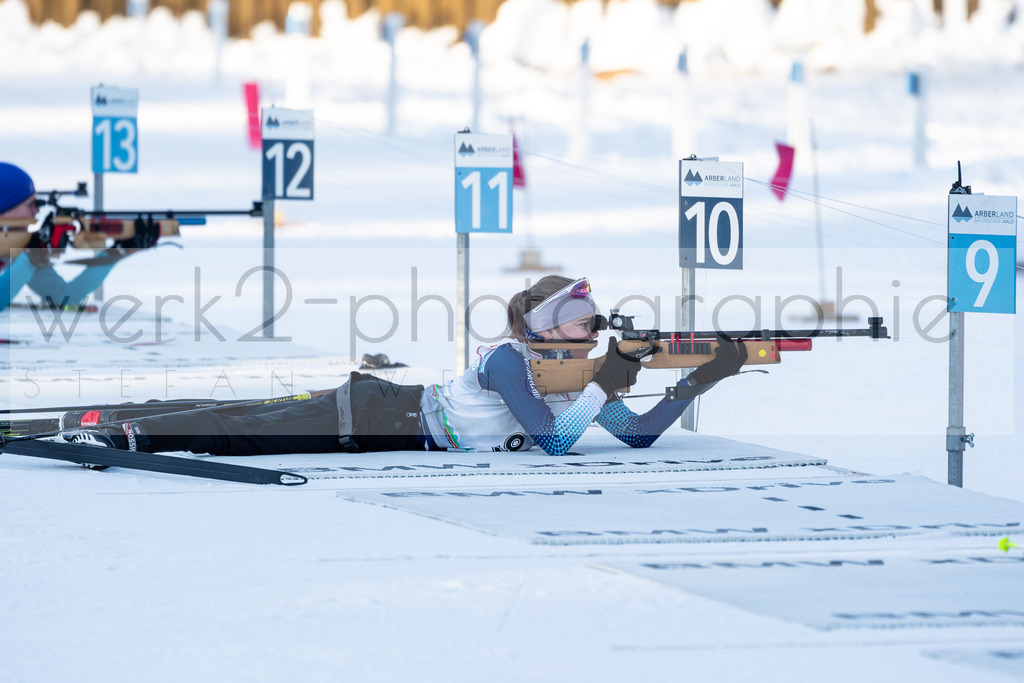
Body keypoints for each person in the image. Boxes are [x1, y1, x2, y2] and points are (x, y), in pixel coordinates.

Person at [58, 276, 747, 457]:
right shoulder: (512, 359)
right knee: (246, 424)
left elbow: (637, 434)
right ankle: (124, 429)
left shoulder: (574, 374)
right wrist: (609, 377)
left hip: (388, 420)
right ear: (547, 326)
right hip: (379, 414)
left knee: (249, 419)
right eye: (587, 322)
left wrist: (704, 375)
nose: (597, 331)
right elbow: (557, 440)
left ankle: (122, 422)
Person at [0, 162, 120, 311]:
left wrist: (117, 251)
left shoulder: (16, 245)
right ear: (5, 208)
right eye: (30, 205)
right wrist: (34, 255)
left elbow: (63, 297)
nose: (36, 211)